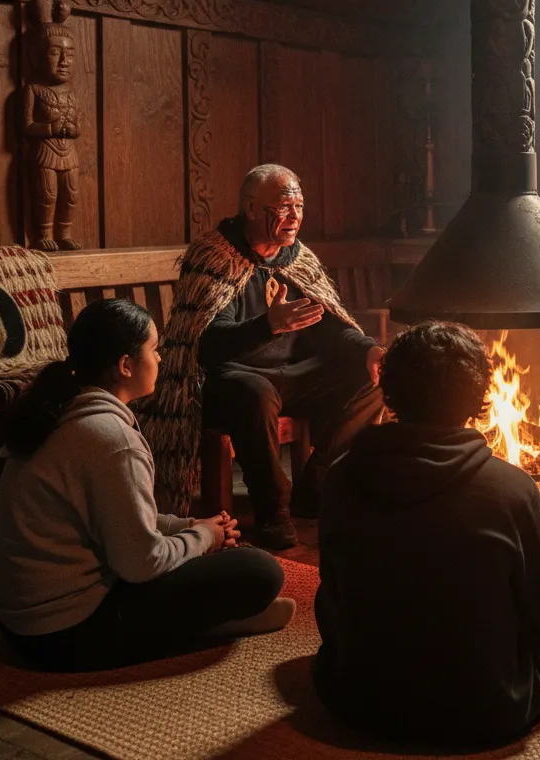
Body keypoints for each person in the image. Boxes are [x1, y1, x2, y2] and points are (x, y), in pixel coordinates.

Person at [313, 320, 540, 747]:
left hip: (358, 699)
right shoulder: (511, 488)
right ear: (480, 397)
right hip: (486, 709)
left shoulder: (341, 477)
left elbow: (331, 600)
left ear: (387, 388)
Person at [0, 298, 292, 672]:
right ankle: (211, 624)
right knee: (259, 570)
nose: (160, 359)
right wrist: (205, 539)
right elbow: (141, 563)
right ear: (125, 366)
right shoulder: (111, 438)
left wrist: (187, 527)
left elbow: (118, 518)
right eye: (154, 350)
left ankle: (207, 614)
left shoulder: (61, 408)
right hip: (63, 635)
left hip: (19, 625)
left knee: (198, 556)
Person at [142, 163, 385, 550]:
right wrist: (267, 325)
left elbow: (327, 326)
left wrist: (368, 349)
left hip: (294, 375)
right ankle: (274, 509)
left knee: (371, 375)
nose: (295, 217)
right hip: (232, 379)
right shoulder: (215, 257)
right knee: (254, 391)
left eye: (300, 207)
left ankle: (317, 486)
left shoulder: (296, 258)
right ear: (252, 208)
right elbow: (206, 346)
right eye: (284, 207)